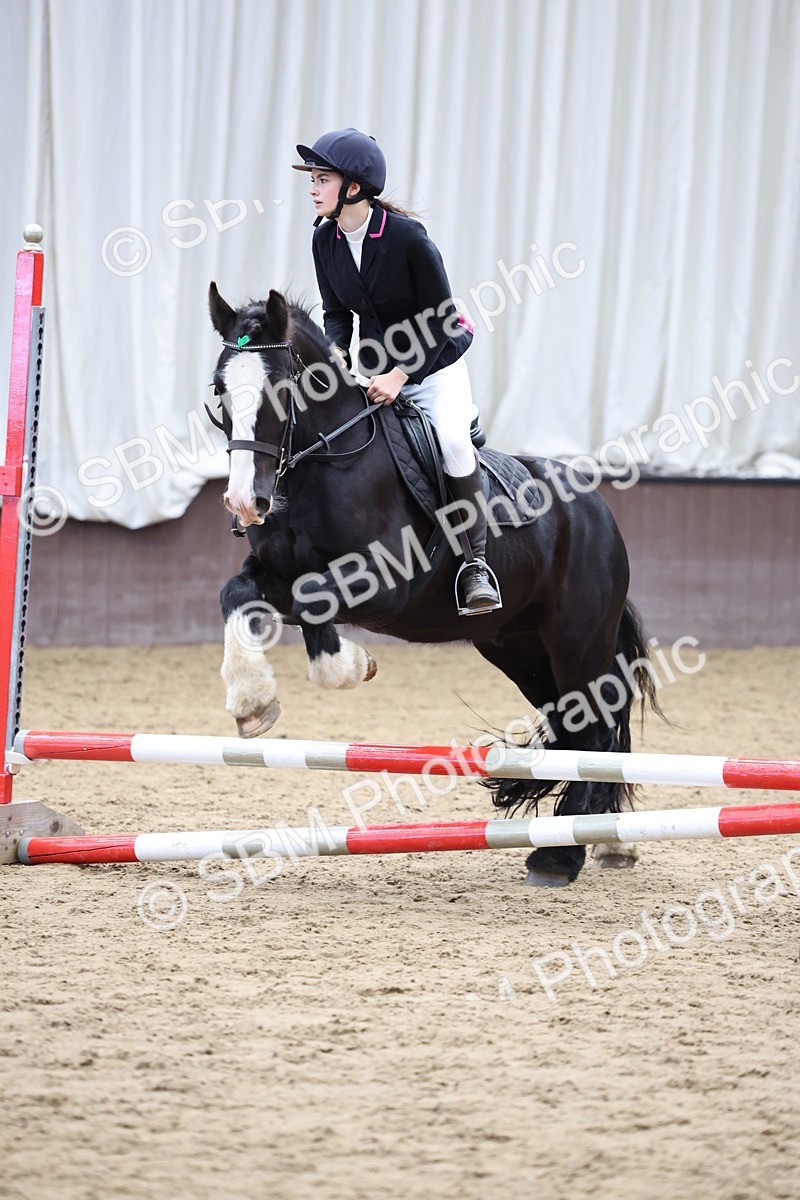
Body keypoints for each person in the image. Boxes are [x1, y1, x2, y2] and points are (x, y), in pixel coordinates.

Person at [293, 127, 501, 615]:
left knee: (451, 441)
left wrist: (401, 376)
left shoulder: (407, 239)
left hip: (434, 363)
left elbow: (443, 320)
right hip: (375, 365)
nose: (313, 188)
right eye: (313, 179)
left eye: (321, 178)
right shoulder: (325, 239)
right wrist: (335, 351)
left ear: (354, 187)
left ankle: (476, 564)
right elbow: (336, 312)